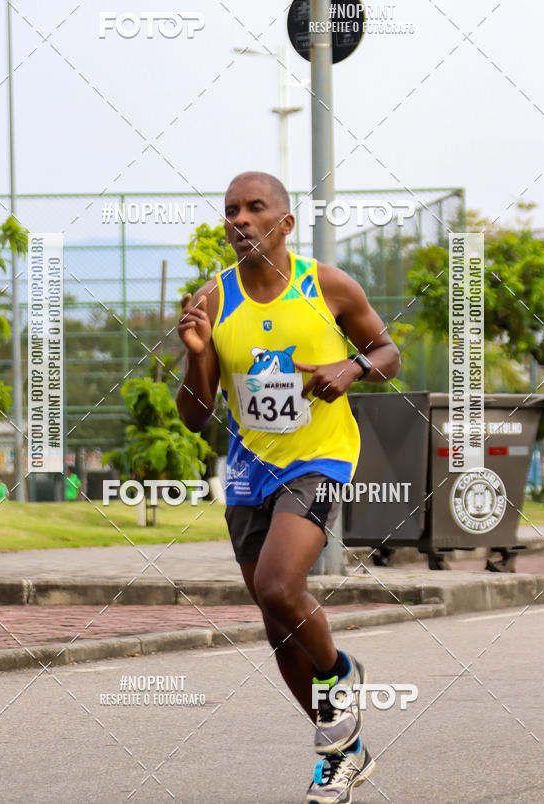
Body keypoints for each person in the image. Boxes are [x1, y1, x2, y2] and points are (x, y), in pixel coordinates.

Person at [176, 171, 400, 802]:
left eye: (254, 209)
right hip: (251, 467)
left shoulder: (326, 286)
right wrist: (196, 354)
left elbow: (388, 354)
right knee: (277, 621)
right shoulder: (212, 300)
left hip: (321, 458)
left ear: (285, 223)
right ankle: (341, 750)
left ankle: (340, 672)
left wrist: (348, 367)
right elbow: (193, 415)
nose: (240, 220)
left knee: (280, 585)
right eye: (230, 212)